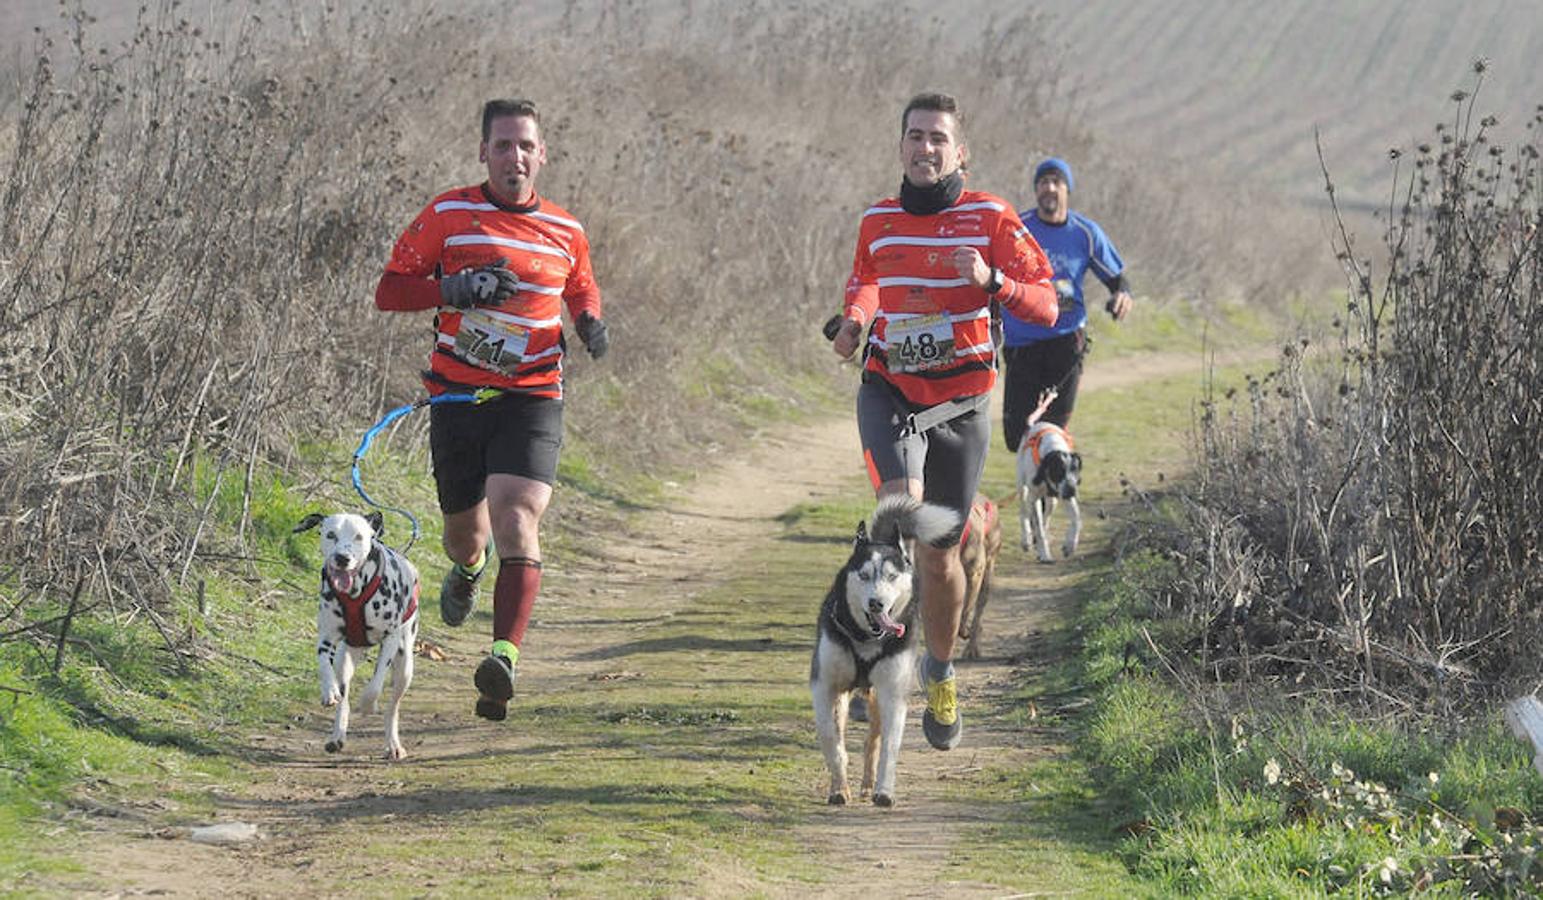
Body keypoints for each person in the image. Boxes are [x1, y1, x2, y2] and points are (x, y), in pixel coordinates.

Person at [831, 92, 1058, 750]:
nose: (925, 148)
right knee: (899, 514)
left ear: (959, 152)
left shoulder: (989, 216)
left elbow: (1043, 303)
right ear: (899, 147)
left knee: (938, 555)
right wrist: (853, 321)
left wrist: (994, 283)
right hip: (888, 390)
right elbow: (866, 280)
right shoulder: (877, 219)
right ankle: (875, 668)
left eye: (938, 138)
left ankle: (938, 668)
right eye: (914, 136)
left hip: (960, 405)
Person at [374, 98, 609, 722]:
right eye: (503, 145)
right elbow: (389, 290)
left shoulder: (566, 229)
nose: (516, 157)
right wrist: (451, 288)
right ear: (484, 152)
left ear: (542, 155)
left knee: (517, 516)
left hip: (532, 395)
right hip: (457, 397)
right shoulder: (448, 214)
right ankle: (470, 569)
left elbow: (579, 282)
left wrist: (589, 322)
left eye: (526, 146)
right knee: (466, 535)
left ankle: (502, 657)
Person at [999, 157, 1133, 451]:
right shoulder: (1018, 228)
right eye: (1043, 182)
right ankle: (1035, 482)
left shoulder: (1084, 233)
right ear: (1036, 190)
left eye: (1056, 182)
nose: (1049, 188)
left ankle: (1047, 489)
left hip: (1066, 343)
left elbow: (1117, 279)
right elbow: (993, 277)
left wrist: (1121, 295)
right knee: (1016, 436)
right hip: (1022, 344)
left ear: (1067, 189)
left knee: (1053, 433)